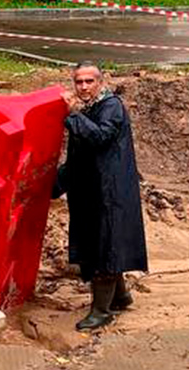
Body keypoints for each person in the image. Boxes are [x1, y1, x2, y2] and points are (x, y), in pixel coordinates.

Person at [52, 62, 148, 331]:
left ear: (101, 82)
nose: (83, 87)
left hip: (110, 192)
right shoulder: (93, 108)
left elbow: (99, 138)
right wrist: (53, 184)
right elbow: (81, 156)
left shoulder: (111, 107)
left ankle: (101, 311)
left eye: (89, 81)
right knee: (103, 243)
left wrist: (72, 115)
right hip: (94, 190)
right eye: (79, 82)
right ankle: (120, 295)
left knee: (105, 247)